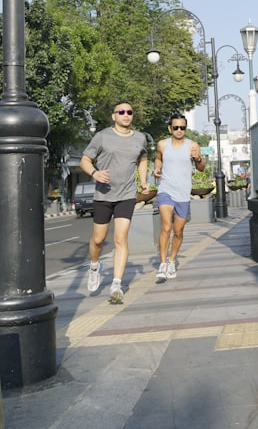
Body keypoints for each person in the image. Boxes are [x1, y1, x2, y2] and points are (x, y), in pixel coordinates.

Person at [80, 101, 150, 304]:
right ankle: (94, 266)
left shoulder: (140, 138)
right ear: (114, 116)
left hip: (126, 194)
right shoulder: (102, 136)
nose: (126, 115)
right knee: (98, 240)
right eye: (121, 112)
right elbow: (85, 159)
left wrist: (143, 181)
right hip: (103, 195)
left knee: (121, 239)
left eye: (129, 112)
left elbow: (143, 159)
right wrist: (94, 173)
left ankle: (116, 284)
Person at [152, 113, 206, 282]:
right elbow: (158, 159)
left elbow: (201, 168)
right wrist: (157, 169)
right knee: (166, 227)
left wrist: (198, 158)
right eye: (176, 127)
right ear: (170, 128)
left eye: (182, 127)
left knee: (178, 231)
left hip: (183, 193)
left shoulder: (193, 145)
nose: (179, 130)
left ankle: (172, 260)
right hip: (165, 190)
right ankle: (162, 264)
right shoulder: (162, 144)